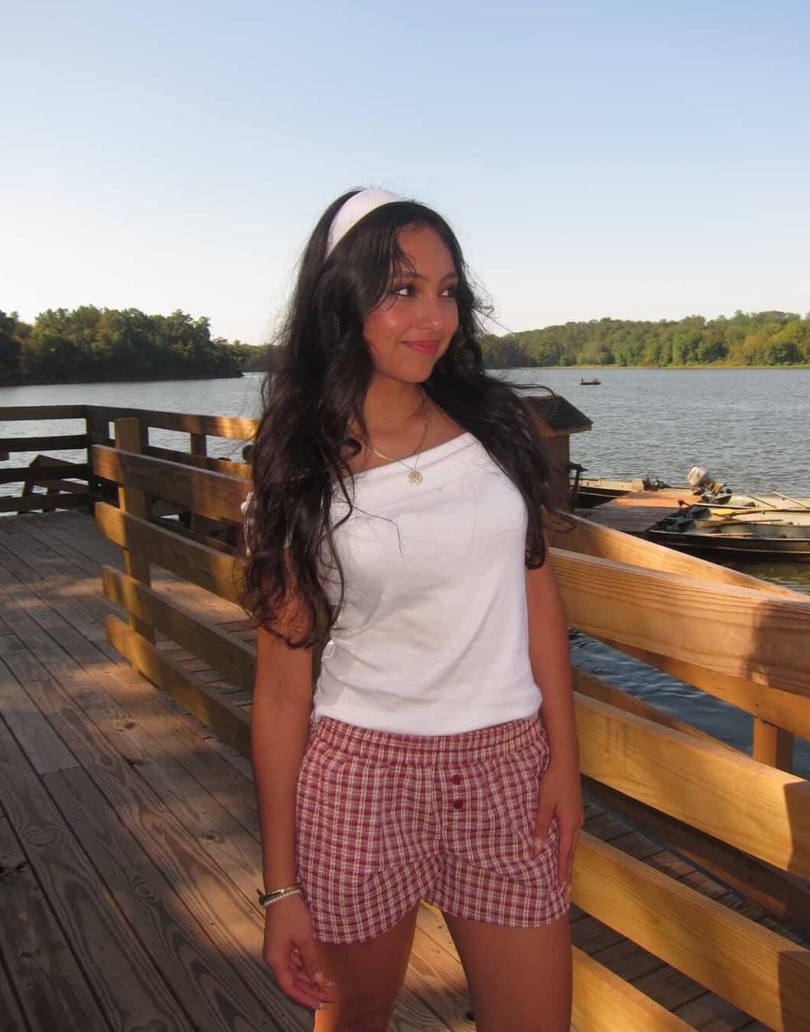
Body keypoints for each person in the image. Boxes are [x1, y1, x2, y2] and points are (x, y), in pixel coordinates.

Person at [242, 188, 582, 1032]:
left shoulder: (496, 427)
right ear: (341, 303)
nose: (435, 316)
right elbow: (284, 693)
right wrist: (281, 888)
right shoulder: (301, 470)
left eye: (447, 288)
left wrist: (562, 760)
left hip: (506, 767)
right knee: (353, 1018)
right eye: (401, 289)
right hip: (363, 775)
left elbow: (538, 595)